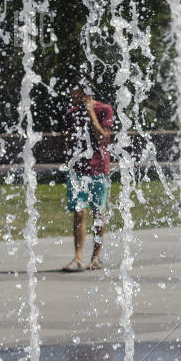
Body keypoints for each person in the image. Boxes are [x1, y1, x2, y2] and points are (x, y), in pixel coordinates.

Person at [63, 78, 114, 272]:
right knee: (79, 212)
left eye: (74, 92)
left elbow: (101, 137)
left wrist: (90, 111)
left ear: (85, 93)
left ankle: (96, 256)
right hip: (77, 171)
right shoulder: (72, 113)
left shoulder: (104, 109)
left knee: (98, 213)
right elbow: (69, 142)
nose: (71, 95)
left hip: (99, 168)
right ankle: (78, 257)